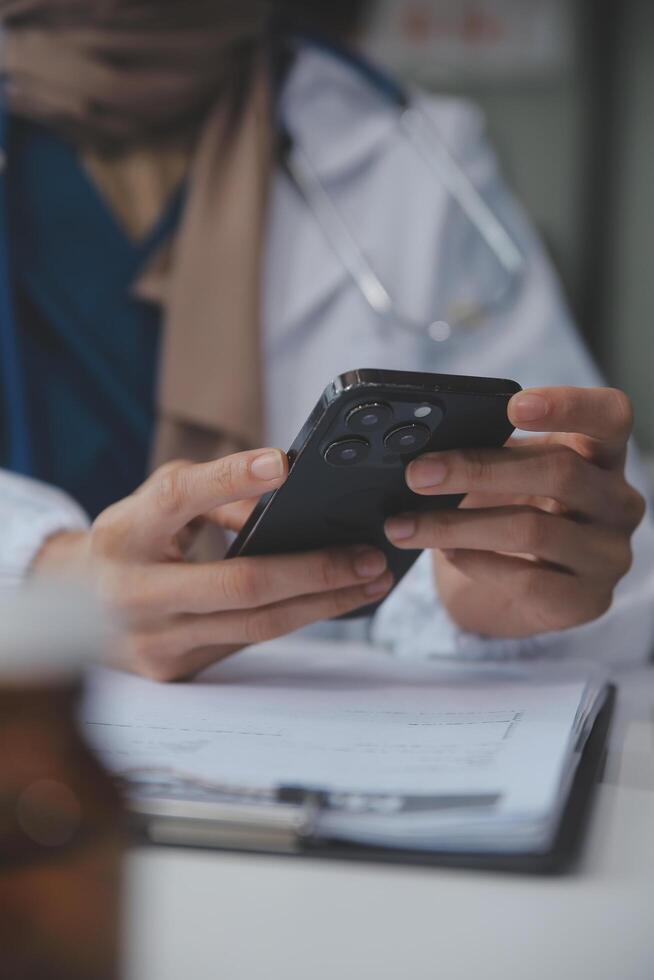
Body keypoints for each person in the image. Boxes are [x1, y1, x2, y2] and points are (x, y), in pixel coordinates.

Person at [0, 1, 652, 680]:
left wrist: (494, 598)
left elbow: (606, 557)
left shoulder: (408, 153)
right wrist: (45, 569)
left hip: (311, 734)